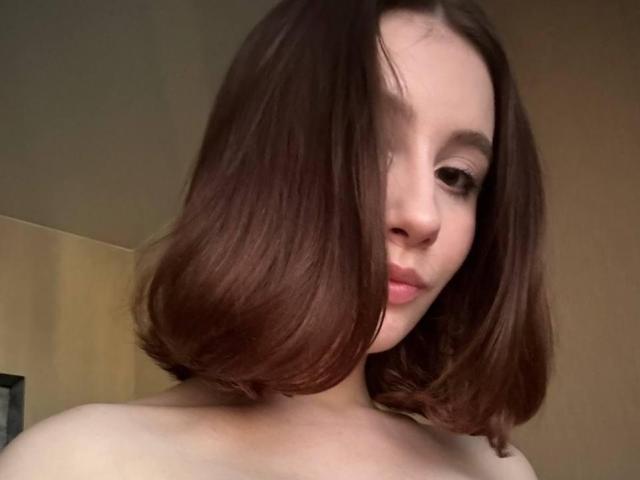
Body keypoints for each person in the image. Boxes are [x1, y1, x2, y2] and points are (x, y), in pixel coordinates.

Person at [0, 0, 552, 478]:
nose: (422, 216)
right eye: (367, 146)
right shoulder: (72, 463)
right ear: (260, 166)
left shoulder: (497, 471)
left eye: (456, 176)